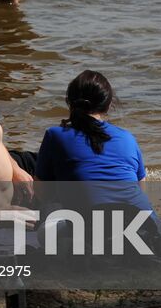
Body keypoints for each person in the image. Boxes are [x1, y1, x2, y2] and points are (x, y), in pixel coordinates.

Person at [34, 70, 152, 214]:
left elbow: (42, 192)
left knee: (49, 213)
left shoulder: (55, 135)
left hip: (93, 225)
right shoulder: (128, 138)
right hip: (143, 223)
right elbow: (141, 188)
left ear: (70, 103)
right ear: (108, 106)